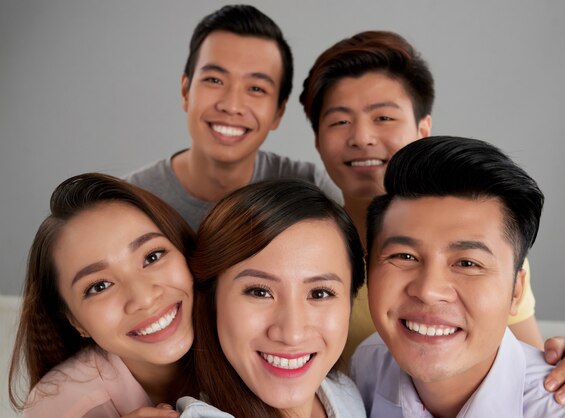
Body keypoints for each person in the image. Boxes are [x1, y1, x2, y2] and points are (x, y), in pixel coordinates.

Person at [300, 30, 565, 411]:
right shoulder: (305, 260)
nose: (363, 137)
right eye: (340, 122)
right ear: (318, 140)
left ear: (422, 130)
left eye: (384, 117)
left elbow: (522, 370)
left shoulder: (491, 237)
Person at [351, 135, 565, 417]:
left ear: (516, 292)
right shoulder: (368, 365)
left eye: (468, 263)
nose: (429, 290)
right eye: (404, 256)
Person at [125, 4, 341, 231]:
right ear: (186, 91)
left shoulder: (313, 190)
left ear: (279, 112)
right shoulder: (131, 200)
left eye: (256, 88)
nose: (231, 106)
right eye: (214, 80)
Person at [8, 173, 197, 418]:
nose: (143, 299)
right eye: (99, 286)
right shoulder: (62, 407)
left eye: (152, 257)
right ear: (74, 320)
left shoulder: (249, 347)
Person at [177, 179, 366, 417]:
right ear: (211, 298)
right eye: (259, 292)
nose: (292, 333)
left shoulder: (344, 393)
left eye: (320, 293)